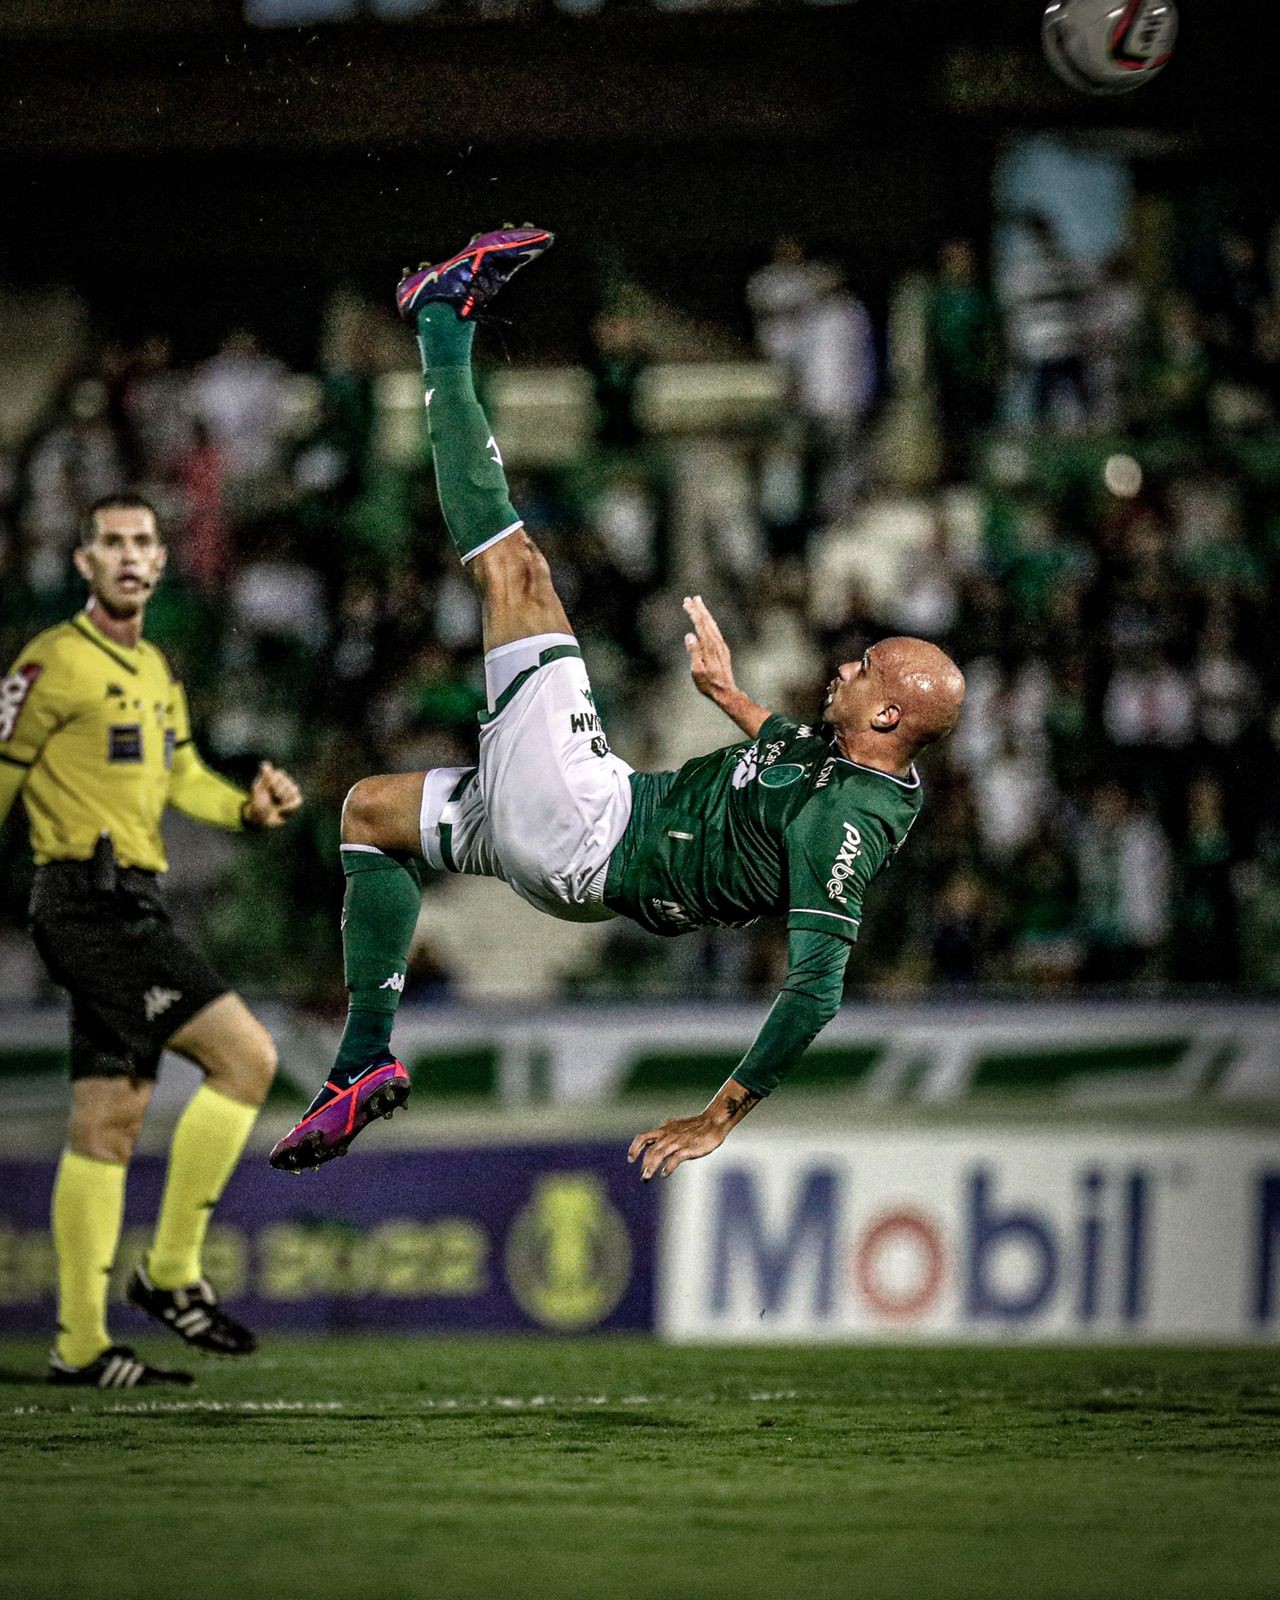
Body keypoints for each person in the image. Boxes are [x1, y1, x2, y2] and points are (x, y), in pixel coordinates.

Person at [268, 228, 964, 1182]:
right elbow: (782, 762)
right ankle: (359, 1063)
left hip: (590, 828)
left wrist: (721, 1114)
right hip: (585, 835)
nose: (848, 662)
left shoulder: (851, 817)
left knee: (515, 571)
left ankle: (439, 317)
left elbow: (816, 989)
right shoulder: (841, 758)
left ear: (889, 719)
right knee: (371, 814)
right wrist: (730, 696)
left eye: (869, 666)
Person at [0, 494, 303, 1387]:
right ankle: (171, 1272)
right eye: (111, 542)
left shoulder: (158, 669)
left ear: (161, 563)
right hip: (86, 903)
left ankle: (82, 1346)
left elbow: (184, 778)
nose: (130, 555)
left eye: (143, 541)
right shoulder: (51, 662)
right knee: (245, 1057)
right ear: (84, 561)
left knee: (108, 1119)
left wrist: (244, 807)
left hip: (131, 899)